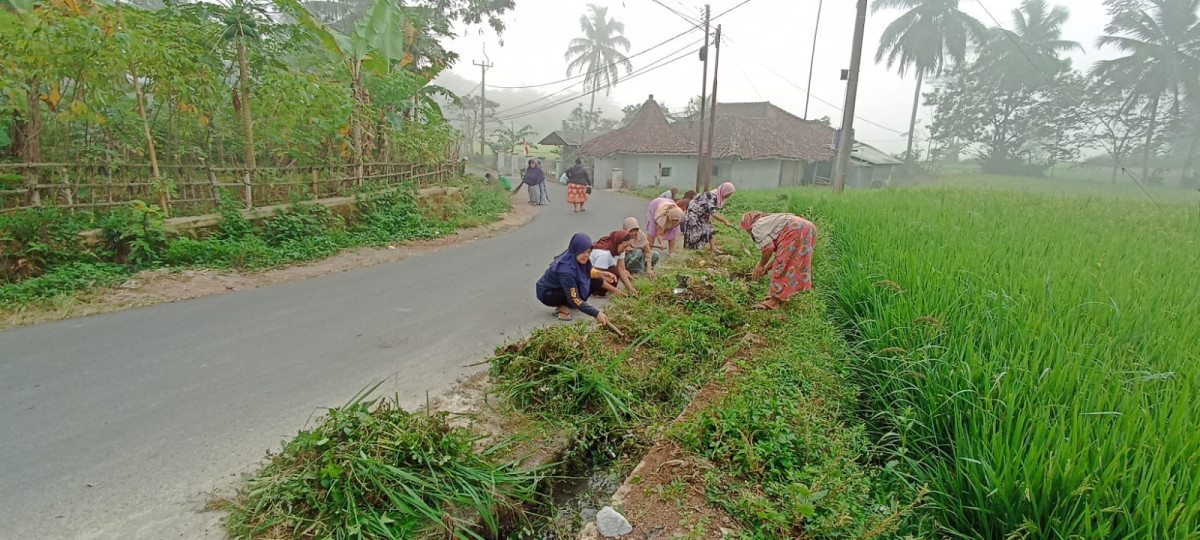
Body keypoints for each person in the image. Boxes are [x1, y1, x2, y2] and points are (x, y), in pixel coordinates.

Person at [740, 211, 818, 311]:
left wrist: (760, 266)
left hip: (795, 228)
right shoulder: (769, 222)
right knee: (791, 261)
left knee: (781, 265)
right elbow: (782, 255)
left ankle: (773, 302)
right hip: (808, 227)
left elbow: (768, 248)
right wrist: (766, 269)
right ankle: (781, 295)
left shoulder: (756, 227)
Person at [536, 233, 618, 325]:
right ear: (576, 250)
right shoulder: (566, 269)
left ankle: (571, 304)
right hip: (548, 293)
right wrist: (596, 313)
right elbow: (574, 298)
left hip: (563, 286)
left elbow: (586, 273)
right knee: (573, 296)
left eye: (588, 252)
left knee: (595, 281)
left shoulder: (578, 258)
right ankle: (562, 307)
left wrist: (601, 274)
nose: (586, 255)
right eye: (582, 252)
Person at [683, 182, 736, 252]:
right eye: (729, 193)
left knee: (709, 228)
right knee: (695, 231)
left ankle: (712, 248)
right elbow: (713, 212)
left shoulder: (718, 196)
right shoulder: (712, 196)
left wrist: (709, 218)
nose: (729, 195)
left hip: (702, 213)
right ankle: (689, 251)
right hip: (694, 213)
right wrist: (724, 220)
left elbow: (708, 209)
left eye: (730, 194)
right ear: (724, 190)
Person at [590, 230, 635, 297]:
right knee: (613, 271)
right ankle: (597, 291)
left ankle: (606, 289)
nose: (626, 249)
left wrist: (631, 289)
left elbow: (621, 269)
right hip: (590, 277)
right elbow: (597, 275)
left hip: (602, 272)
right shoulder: (604, 254)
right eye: (625, 246)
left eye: (627, 246)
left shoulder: (619, 248)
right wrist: (615, 290)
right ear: (618, 242)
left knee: (616, 271)